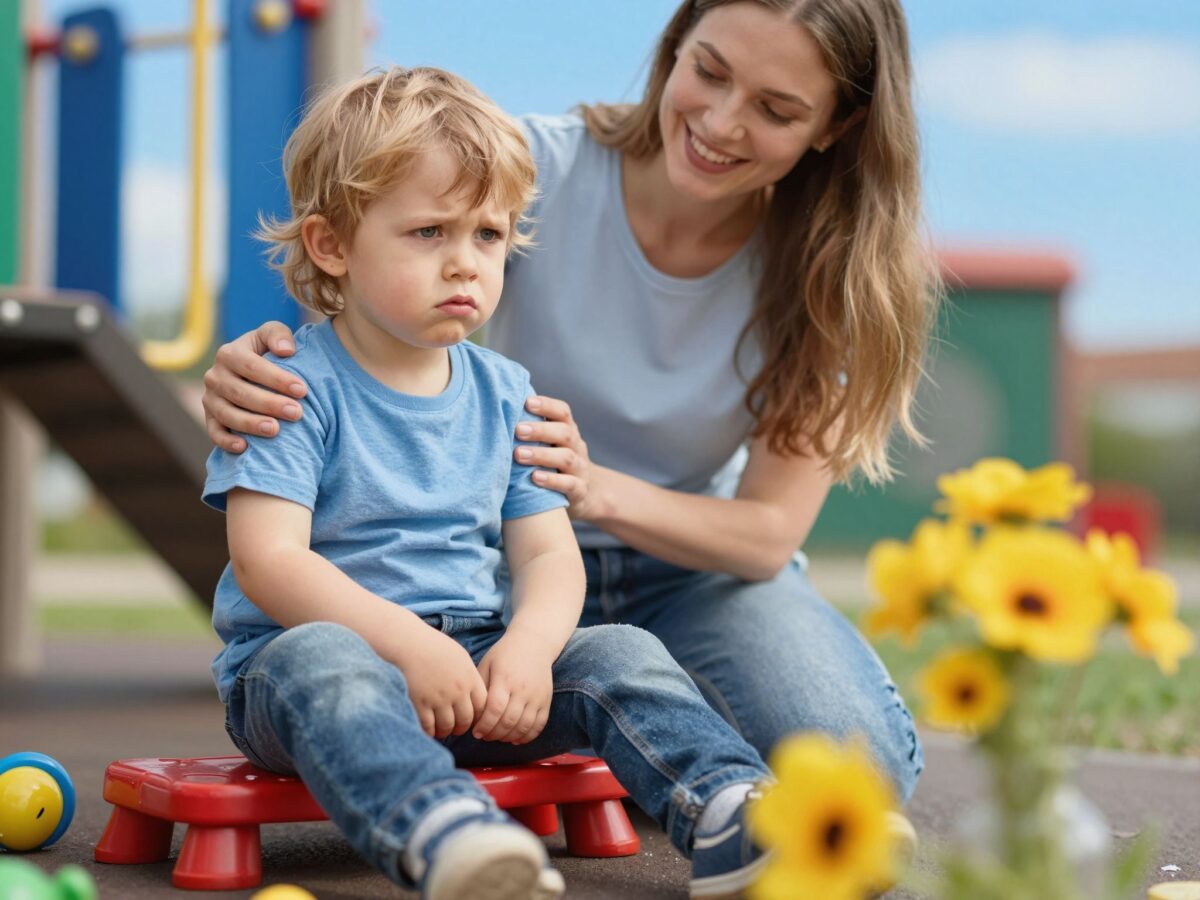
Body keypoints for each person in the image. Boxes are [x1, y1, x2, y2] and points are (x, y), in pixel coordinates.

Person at [202, 0, 932, 810]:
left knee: (856, 782)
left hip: (689, 574)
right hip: (488, 563)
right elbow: (370, 306)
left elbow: (766, 535)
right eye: (710, 72)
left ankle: (686, 764)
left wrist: (592, 489)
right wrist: (254, 367)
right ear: (674, 45)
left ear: (836, 125)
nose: (721, 122)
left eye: (776, 108)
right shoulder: (519, 170)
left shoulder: (831, 277)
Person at [203, 66, 779, 900]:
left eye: (489, 235)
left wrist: (528, 651)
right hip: (311, 677)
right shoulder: (291, 386)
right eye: (429, 233)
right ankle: (447, 836)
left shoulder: (508, 392)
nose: (464, 265)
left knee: (620, 649)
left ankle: (734, 812)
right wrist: (409, 647)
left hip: (474, 669)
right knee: (322, 657)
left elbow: (549, 558)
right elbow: (268, 562)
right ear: (331, 244)